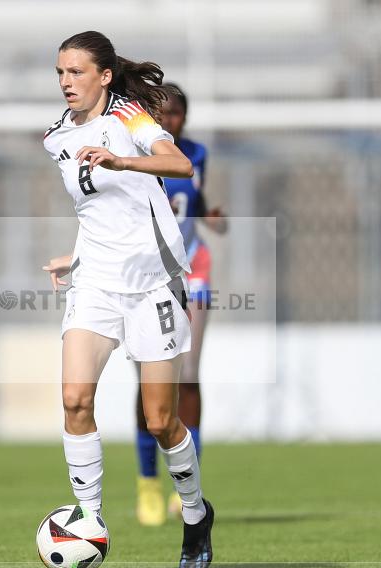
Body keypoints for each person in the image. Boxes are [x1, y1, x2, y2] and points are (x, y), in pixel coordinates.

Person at [41, 31, 214, 568]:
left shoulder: (131, 118)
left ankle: (194, 513)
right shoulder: (56, 138)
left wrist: (121, 161)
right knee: (74, 400)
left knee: (161, 420)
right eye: (60, 73)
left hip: (153, 284)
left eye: (76, 72)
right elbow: (96, 214)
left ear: (105, 75)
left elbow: (179, 165)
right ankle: (89, 520)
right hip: (95, 282)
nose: (67, 82)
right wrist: (75, 256)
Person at [134, 84, 228, 526]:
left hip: (194, 269)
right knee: (150, 378)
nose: (169, 120)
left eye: (175, 114)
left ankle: (187, 481)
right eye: (162, 113)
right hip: (147, 273)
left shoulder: (195, 153)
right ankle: (147, 481)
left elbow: (195, 200)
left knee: (188, 375)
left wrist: (211, 215)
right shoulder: (137, 151)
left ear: (185, 117)